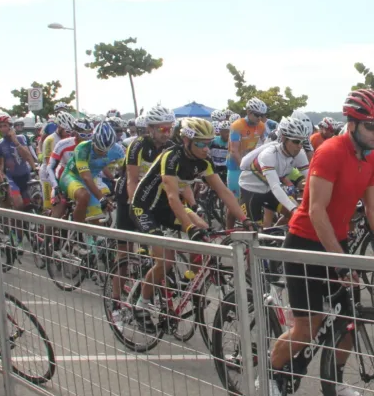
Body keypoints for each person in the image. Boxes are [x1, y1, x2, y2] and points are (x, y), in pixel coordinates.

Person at [265, 90, 374, 396]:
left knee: (349, 320)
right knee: (306, 328)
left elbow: (373, 209)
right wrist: (340, 262)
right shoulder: (329, 152)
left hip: (334, 244)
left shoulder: (369, 158)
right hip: (305, 243)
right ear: (351, 125)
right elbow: (316, 211)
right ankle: (269, 375)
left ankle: (335, 382)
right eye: (370, 126)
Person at [131, 118, 248, 316]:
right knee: (165, 263)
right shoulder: (171, 157)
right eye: (201, 143)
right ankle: (141, 304)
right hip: (145, 209)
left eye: (209, 143)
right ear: (186, 140)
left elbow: (224, 192)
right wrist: (188, 228)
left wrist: (245, 220)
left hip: (167, 210)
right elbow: (172, 197)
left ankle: (188, 280)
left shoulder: (204, 161)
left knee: (204, 230)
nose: (206, 149)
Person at [114, 105, 175, 246]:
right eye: (162, 129)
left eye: (169, 129)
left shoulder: (171, 147)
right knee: (125, 246)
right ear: (150, 128)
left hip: (150, 194)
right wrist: (135, 207)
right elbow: (132, 180)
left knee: (152, 242)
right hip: (128, 193)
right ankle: (120, 265)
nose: (166, 134)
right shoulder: (137, 145)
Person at [239, 115, 311, 227]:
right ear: (283, 139)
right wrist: (293, 209)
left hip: (268, 190)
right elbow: (276, 186)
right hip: (251, 190)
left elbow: (311, 179)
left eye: (303, 142)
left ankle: (277, 238)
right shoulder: (269, 154)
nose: (299, 146)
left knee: (299, 217)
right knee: (255, 231)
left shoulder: (299, 153)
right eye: (296, 141)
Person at [56, 121, 125, 227]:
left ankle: (89, 240)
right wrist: (102, 199)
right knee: (84, 195)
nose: (103, 153)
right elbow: (86, 177)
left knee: (96, 220)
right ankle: (77, 232)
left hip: (91, 180)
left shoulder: (118, 150)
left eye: (107, 150)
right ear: (93, 141)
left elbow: (125, 173)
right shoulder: (83, 148)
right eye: (99, 150)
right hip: (71, 177)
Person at [0, 113, 37, 209]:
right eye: (0, 126)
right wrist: (1, 177)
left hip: (25, 175)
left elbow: (27, 156)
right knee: (18, 203)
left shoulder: (21, 138)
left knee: (31, 203)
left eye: (5, 126)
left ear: (10, 127)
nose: (3, 128)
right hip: (11, 178)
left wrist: (15, 141)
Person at [227, 98, 268, 196]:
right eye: (257, 115)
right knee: (235, 200)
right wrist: (243, 166)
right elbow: (234, 150)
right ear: (248, 112)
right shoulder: (237, 126)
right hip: (235, 166)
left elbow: (266, 144)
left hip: (249, 165)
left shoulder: (261, 126)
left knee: (251, 197)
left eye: (262, 115)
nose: (259, 118)